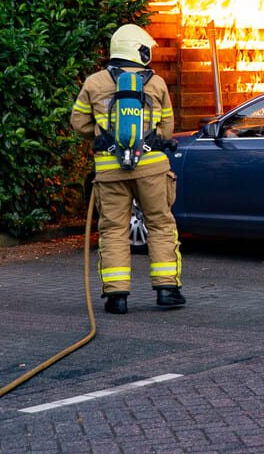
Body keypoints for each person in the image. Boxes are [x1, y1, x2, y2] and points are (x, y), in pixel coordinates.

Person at [70, 23, 185, 313]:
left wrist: (103, 136)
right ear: (140, 50)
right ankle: (167, 290)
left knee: (112, 230)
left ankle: (117, 297)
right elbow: (168, 131)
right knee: (160, 224)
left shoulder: (94, 82)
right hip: (152, 170)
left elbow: (78, 124)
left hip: (110, 171)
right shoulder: (156, 84)